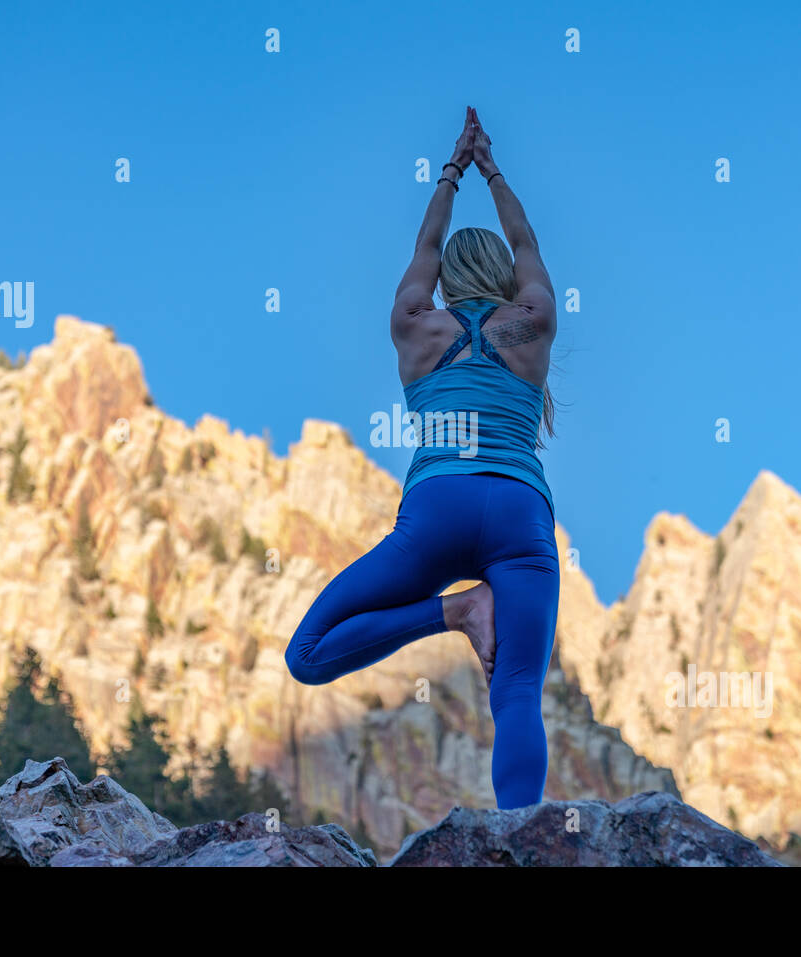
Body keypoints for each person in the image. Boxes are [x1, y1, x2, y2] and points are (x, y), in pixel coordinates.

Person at [285, 107, 560, 809]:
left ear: (444, 280)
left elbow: (425, 243)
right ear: (501, 272)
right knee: (519, 692)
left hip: (439, 508)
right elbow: (526, 240)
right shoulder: (532, 322)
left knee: (308, 653)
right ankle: (521, 841)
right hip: (521, 516)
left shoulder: (415, 323)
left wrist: (451, 172)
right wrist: (494, 170)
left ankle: (458, 612)